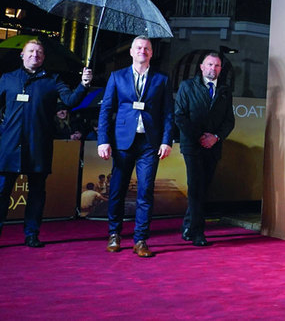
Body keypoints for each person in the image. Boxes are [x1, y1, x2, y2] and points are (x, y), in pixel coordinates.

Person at [0, 38, 92, 247]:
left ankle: (32, 234)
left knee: (36, 194)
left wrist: (84, 85)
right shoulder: (7, 78)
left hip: (38, 146)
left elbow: (70, 101)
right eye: (31, 51)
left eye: (39, 52)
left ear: (43, 58)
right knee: (2, 193)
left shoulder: (53, 80)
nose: (35, 55)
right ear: (22, 55)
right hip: (9, 148)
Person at [97, 36, 173, 258]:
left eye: (147, 48)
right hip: (122, 142)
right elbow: (106, 110)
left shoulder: (161, 79)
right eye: (138, 47)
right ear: (131, 52)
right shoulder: (117, 76)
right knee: (117, 190)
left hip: (150, 143)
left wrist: (166, 140)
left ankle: (140, 239)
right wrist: (103, 140)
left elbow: (168, 113)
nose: (142, 51)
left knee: (145, 191)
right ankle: (114, 234)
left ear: (152, 53)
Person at [174, 52, 235, 246]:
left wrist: (215, 138)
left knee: (203, 188)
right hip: (192, 145)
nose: (213, 68)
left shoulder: (225, 90)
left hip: (213, 146)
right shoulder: (187, 86)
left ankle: (188, 226)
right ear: (201, 67)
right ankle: (198, 233)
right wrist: (200, 137)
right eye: (209, 64)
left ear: (220, 69)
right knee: (195, 188)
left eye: (217, 66)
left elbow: (229, 121)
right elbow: (180, 116)